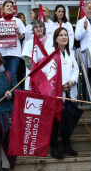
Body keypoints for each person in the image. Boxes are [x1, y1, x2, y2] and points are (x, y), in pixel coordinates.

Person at [49, 27, 79, 159]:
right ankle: (54, 147)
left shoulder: (70, 53)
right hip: (56, 92)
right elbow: (49, 73)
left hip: (69, 92)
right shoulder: (51, 53)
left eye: (66, 35)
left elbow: (76, 70)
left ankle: (67, 145)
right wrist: (61, 84)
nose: (64, 37)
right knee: (55, 121)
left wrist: (71, 82)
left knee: (67, 120)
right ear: (56, 38)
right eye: (61, 35)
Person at [0, 0, 26, 76]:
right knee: (2, 75)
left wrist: (18, 31)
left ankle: (12, 88)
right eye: (7, 6)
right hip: (1, 53)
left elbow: (22, 38)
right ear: (3, 8)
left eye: (11, 6)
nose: (9, 7)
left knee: (12, 75)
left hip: (15, 53)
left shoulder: (18, 21)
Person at [21, 19, 54, 90]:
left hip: (47, 78)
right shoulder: (28, 43)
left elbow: (53, 60)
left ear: (44, 28)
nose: (38, 29)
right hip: (33, 78)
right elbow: (28, 62)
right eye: (36, 27)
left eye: (40, 26)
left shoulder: (51, 43)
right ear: (33, 30)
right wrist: (40, 72)